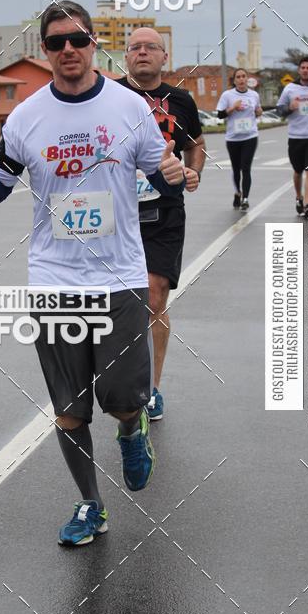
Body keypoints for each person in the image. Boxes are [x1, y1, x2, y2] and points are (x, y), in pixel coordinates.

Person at [0, 1, 184, 546]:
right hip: (54, 281)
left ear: (93, 45)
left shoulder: (128, 107)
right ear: (44, 52)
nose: (67, 50)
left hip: (119, 277)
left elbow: (162, 179)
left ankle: (132, 425)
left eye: (76, 40)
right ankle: (91, 505)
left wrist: (173, 175)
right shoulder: (26, 116)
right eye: (55, 43)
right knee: (69, 410)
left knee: (119, 396)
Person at [116, 27, 204, 421]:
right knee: (118, 304)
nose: (143, 52)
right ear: (126, 56)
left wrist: (192, 172)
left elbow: (195, 144)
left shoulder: (181, 100)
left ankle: (150, 388)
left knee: (153, 297)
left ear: (164, 57)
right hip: (115, 214)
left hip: (163, 213)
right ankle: (119, 373)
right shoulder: (108, 97)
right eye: (135, 47)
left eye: (151, 47)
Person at [276, 56, 308, 219]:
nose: (306, 70)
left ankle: (307, 204)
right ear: (299, 70)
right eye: (303, 67)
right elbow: (279, 110)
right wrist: (290, 107)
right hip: (295, 136)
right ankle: (298, 197)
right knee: (298, 171)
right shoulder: (290, 89)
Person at [216, 68, 263, 211]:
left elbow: (258, 111)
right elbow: (220, 115)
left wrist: (259, 112)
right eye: (238, 77)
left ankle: (245, 198)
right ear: (234, 80)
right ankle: (237, 192)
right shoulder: (228, 95)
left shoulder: (254, 95)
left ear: (247, 79)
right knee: (236, 169)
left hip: (250, 136)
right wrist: (232, 108)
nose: (241, 79)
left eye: (244, 76)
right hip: (233, 138)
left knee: (246, 168)